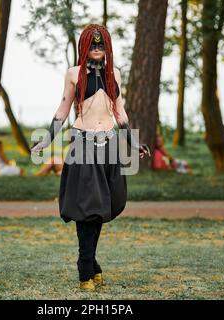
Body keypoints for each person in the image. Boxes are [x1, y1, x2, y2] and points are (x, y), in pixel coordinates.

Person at [31, 24, 150, 291]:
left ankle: (91, 262)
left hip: (109, 147)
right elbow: (62, 110)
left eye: (101, 45)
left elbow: (120, 113)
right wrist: (47, 140)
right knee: (88, 207)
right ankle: (86, 267)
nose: (97, 49)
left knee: (105, 205)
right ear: (84, 47)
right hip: (83, 145)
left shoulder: (114, 74)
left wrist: (133, 142)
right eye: (93, 45)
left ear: (107, 47)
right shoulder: (74, 74)